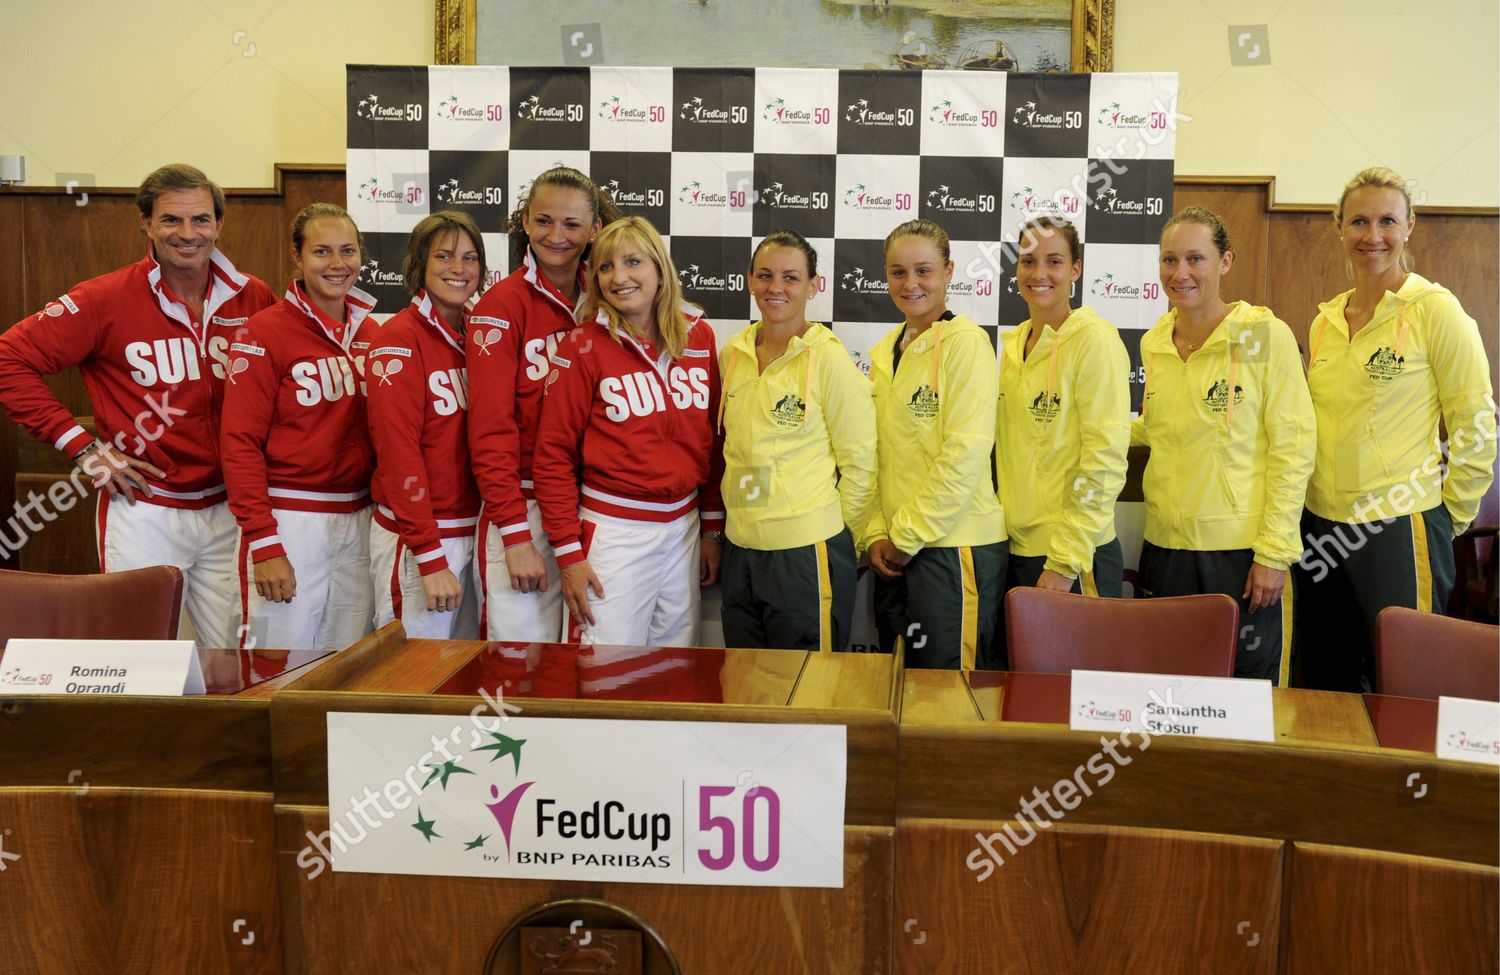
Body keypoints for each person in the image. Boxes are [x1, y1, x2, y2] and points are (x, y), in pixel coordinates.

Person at [0, 163, 276, 647]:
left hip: (234, 509)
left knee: (240, 660)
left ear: (219, 224)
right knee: (135, 658)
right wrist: (83, 448)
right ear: (145, 223)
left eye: (201, 220)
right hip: (145, 506)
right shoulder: (103, 298)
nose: (187, 234)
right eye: (171, 220)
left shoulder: (252, 296)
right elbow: (8, 357)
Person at [1295, 168, 1495, 692]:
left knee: (1406, 682)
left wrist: (1450, 517)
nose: (1373, 235)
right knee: (1327, 681)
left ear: (1410, 226)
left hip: (1398, 524)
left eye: (1387, 220)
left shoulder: (1436, 311)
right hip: (1320, 527)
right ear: (1338, 227)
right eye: (1359, 220)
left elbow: (1476, 424)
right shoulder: (1324, 322)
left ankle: (1409, 778)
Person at [1131, 207, 1315, 683]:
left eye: (1196, 258)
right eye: (1169, 260)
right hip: (1164, 548)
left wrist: (1274, 553)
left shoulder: (1260, 336)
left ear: (1225, 262)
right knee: (1168, 689)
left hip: (1241, 557)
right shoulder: (1155, 342)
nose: (1181, 272)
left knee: (1249, 698)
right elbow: (1158, 429)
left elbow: (1293, 447)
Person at [533, 216, 724, 646]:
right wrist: (568, 553)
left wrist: (711, 528)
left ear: (659, 268)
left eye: (633, 262)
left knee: (676, 667)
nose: (619, 278)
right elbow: (553, 456)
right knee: (604, 671)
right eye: (605, 267)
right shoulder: (582, 345)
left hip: (684, 529)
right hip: (613, 533)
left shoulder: (699, 337)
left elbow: (713, 443)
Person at [469, 166, 618, 643]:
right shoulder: (500, 305)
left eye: (572, 224)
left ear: (595, 229)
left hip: (592, 505)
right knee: (520, 663)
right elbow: (490, 430)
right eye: (544, 221)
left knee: (587, 655)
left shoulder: (610, 298)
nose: (556, 236)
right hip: (524, 503)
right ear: (525, 223)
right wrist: (514, 535)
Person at [220, 203, 377, 651]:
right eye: (322, 251)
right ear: (296, 257)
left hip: (361, 517)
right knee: (275, 661)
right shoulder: (261, 332)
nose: (337, 264)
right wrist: (264, 543)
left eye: (347, 251)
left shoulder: (375, 334)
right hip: (291, 517)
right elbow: (239, 443)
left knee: (346, 661)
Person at [717, 230, 877, 651]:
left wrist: (838, 540)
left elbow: (861, 464)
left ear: (812, 286)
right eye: (766, 275)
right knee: (746, 688)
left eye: (790, 277)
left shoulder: (828, 358)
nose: (776, 288)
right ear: (749, 280)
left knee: (810, 691)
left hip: (806, 553)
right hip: (740, 549)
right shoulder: (732, 354)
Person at [862, 219, 1005, 670]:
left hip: (953, 548)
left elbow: (963, 456)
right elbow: (876, 455)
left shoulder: (967, 345)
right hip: (896, 554)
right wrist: (875, 534)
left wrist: (906, 538)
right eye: (897, 272)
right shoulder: (885, 350)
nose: (911, 284)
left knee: (950, 700)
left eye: (923, 270)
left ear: (948, 272)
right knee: (902, 694)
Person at [995, 219, 1129, 626]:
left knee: (1078, 689)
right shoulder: (1014, 345)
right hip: (1016, 550)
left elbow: (1103, 459)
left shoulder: (1094, 340)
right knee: (1027, 688)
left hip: (1074, 557)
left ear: (1075, 270)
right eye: (1028, 261)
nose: (1039, 274)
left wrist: (1065, 559)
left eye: (1054, 261)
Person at [360, 212, 485, 639]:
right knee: (411, 676)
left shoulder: (480, 337)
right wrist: (429, 554)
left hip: (477, 529)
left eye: (470, 258)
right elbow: (397, 454)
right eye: (444, 256)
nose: (458, 269)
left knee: (465, 673)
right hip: (420, 538)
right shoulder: (397, 339)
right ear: (418, 263)